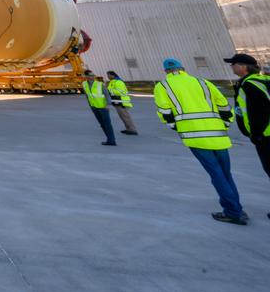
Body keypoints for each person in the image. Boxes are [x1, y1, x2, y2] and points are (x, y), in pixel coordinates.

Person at [154, 57, 246, 224]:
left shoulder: (163, 86)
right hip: (218, 135)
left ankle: (233, 212)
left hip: (195, 137)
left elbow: (165, 111)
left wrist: (177, 127)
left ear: (166, 71)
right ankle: (237, 208)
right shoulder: (203, 82)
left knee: (216, 174)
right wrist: (224, 124)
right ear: (183, 68)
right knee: (225, 174)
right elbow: (224, 105)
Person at [225, 52, 270, 217]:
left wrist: (256, 134)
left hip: (265, 136)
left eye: (233, 64)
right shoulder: (263, 80)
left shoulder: (250, 85)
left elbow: (260, 111)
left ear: (243, 66)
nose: (231, 66)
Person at [81, 71, 116, 146]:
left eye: (93, 75)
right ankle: (109, 139)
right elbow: (87, 95)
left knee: (107, 124)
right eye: (91, 75)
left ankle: (111, 140)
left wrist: (108, 105)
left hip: (103, 107)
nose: (93, 76)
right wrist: (90, 104)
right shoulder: (84, 84)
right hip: (94, 107)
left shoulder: (100, 84)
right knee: (102, 124)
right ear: (86, 76)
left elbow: (107, 95)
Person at [105, 71, 138, 135]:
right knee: (123, 116)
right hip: (118, 102)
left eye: (108, 75)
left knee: (126, 116)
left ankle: (133, 130)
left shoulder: (119, 82)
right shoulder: (113, 82)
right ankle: (128, 128)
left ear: (113, 75)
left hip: (122, 102)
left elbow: (121, 92)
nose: (108, 77)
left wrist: (110, 91)